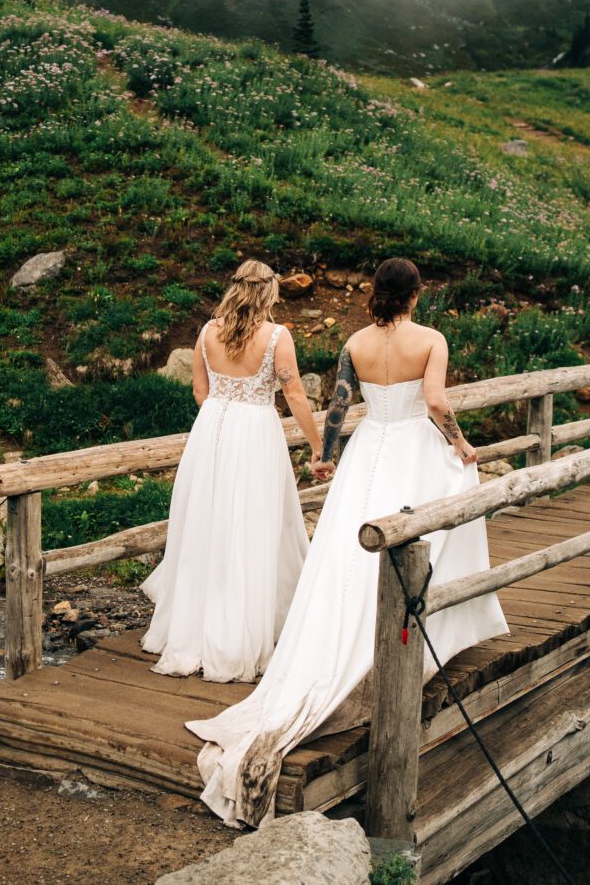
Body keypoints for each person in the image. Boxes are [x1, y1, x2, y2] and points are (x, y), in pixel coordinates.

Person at [186, 257, 509, 827]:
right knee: (441, 516)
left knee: (346, 550)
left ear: (376, 295)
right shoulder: (431, 339)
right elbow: (435, 402)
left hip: (367, 452)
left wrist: (327, 455)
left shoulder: (355, 343)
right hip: (411, 447)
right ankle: (432, 628)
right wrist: (460, 444)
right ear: (414, 295)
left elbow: (338, 406)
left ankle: (345, 632)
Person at [141, 259, 326, 683]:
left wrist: (222, 422)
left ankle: (191, 629)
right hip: (256, 433)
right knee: (251, 527)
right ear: (269, 292)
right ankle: (239, 634)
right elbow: (295, 394)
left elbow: (200, 392)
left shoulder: (208, 332)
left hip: (210, 433)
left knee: (207, 525)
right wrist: (319, 446)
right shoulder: (277, 336)